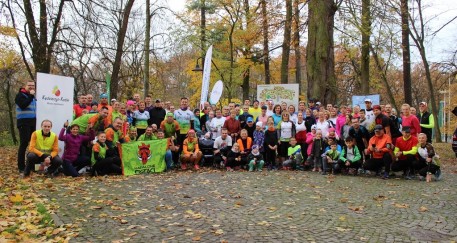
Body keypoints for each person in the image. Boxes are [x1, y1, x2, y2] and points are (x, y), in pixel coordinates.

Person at [15, 80, 37, 173]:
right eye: (29, 85)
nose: (31, 87)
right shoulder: (20, 95)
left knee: (33, 145)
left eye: (33, 85)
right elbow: (23, 105)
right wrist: (31, 96)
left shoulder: (32, 97)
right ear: (25, 86)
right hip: (24, 122)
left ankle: (31, 165)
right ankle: (21, 167)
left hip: (33, 122)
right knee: (24, 144)